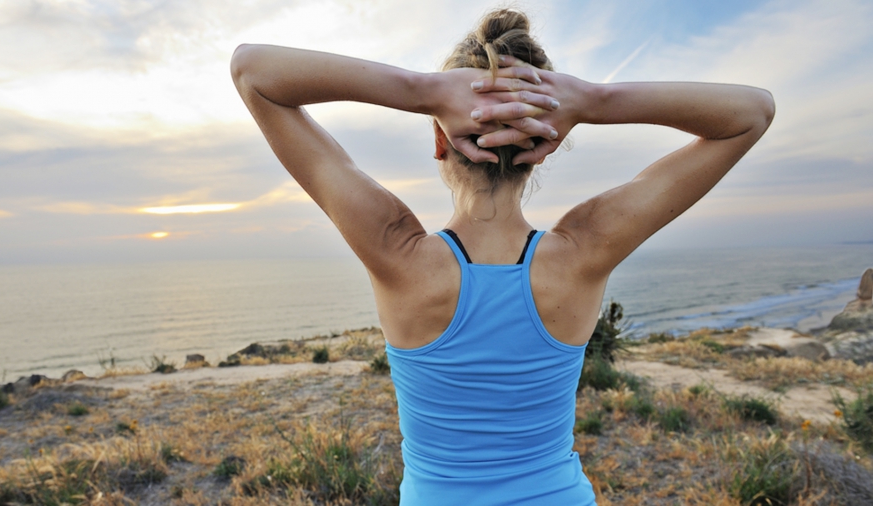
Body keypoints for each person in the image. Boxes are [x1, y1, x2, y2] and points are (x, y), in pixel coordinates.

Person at [231, 8, 774, 505]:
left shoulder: (395, 250)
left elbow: (252, 70)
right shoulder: (583, 251)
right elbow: (750, 112)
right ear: (545, 146)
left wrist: (421, 90)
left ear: (441, 141)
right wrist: (589, 101)